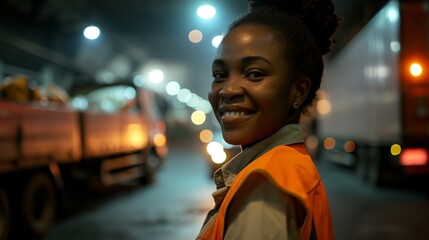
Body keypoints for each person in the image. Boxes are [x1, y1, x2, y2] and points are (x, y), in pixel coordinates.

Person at [196, 0, 340, 239]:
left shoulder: (263, 188)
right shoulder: (290, 166)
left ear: (298, 91)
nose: (227, 90)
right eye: (220, 75)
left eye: (254, 74)